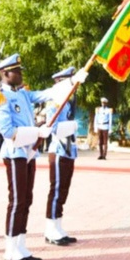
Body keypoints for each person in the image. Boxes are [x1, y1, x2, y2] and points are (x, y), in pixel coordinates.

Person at [0, 54, 85, 260]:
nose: (21, 74)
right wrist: (36, 132)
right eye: (17, 71)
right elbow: (7, 131)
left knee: (26, 199)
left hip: (28, 154)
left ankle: (20, 245)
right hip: (15, 154)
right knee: (16, 201)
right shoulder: (1, 97)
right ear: (6, 74)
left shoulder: (23, 94)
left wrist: (72, 82)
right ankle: (10, 250)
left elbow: (47, 94)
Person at [43, 67, 81, 245]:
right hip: (58, 149)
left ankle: (58, 225)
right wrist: (71, 126)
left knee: (64, 190)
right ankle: (50, 228)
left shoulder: (68, 102)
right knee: (56, 190)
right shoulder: (54, 104)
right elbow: (53, 127)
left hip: (68, 150)